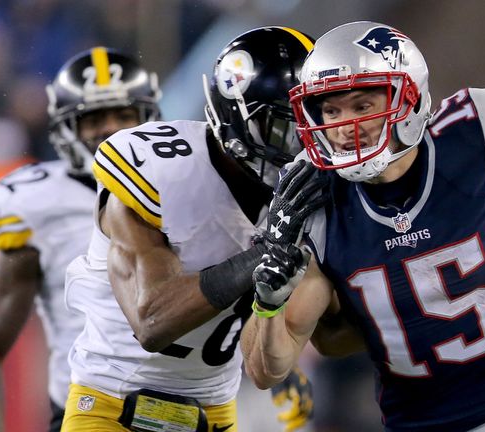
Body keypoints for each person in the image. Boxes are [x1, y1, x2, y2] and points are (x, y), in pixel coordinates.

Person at [241, 21, 485, 432]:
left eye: (362, 106)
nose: (343, 127)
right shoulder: (311, 199)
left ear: (409, 98)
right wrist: (268, 301)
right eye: (330, 110)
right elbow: (267, 370)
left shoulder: (475, 143)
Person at [61, 27, 324, 432]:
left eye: (313, 129)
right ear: (238, 114)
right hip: (113, 408)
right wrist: (265, 252)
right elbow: (153, 320)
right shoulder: (161, 169)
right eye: (286, 128)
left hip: (216, 414)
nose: (301, 148)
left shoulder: (306, 194)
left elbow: (264, 368)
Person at [0, 47, 162, 432]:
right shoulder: (35, 204)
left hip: (191, 406)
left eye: (123, 114)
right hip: (85, 410)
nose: (110, 129)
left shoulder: (189, 186)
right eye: (94, 118)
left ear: (149, 117)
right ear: (65, 127)